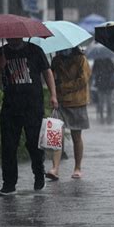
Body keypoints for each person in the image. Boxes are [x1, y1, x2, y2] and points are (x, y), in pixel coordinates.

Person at [0, 38, 58, 196]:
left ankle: (39, 176)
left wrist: (53, 95)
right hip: (10, 107)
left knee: (34, 144)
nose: (11, 38)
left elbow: (47, 72)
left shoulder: (35, 50)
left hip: (33, 106)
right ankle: (9, 184)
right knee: (8, 146)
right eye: (8, 36)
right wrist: (0, 68)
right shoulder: (1, 53)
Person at [46, 47, 91, 180]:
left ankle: (77, 168)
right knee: (57, 135)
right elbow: (51, 79)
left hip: (77, 102)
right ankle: (55, 168)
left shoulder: (81, 59)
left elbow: (83, 79)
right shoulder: (56, 60)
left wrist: (64, 87)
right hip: (60, 102)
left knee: (76, 136)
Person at [92, 57, 114, 124]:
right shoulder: (109, 60)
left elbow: (93, 72)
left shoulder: (97, 60)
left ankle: (102, 118)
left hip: (101, 84)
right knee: (108, 102)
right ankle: (108, 117)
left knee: (101, 102)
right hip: (108, 85)